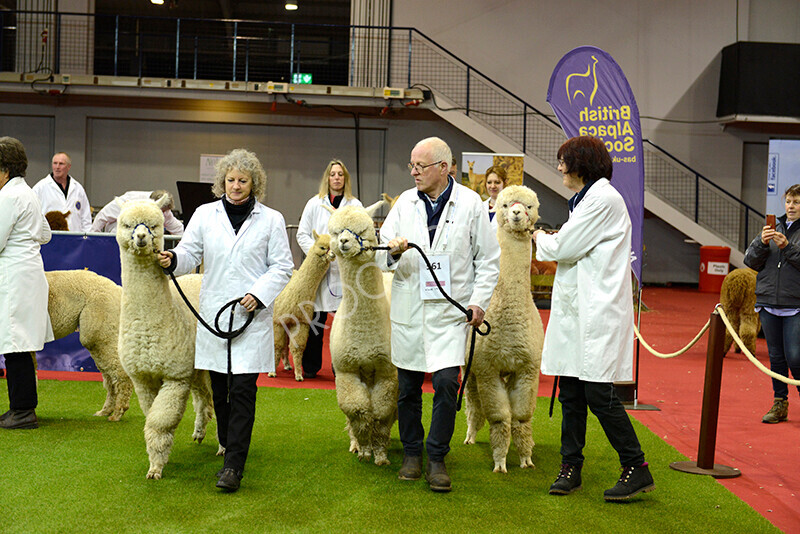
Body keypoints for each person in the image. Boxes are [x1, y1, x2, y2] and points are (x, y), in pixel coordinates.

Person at [158, 148, 293, 492]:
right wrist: (173, 259)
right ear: (222, 182)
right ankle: (226, 438)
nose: (236, 186)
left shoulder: (271, 219)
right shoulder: (205, 214)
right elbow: (190, 253)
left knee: (244, 390)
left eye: (242, 180)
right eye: (230, 180)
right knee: (220, 391)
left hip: (251, 316)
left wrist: (259, 294)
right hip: (216, 314)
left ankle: (234, 465)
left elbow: (282, 267)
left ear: (254, 183)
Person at [533, 136, 654, 501]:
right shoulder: (587, 200)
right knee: (570, 391)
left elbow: (564, 247)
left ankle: (637, 467)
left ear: (581, 164)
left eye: (563, 162)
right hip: (579, 311)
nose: (559, 168)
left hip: (596, 312)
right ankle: (571, 467)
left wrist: (540, 236)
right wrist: (557, 239)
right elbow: (574, 243)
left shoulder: (601, 199)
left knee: (599, 395)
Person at [381, 136, 499, 492]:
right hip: (411, 310)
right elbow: (379, 254)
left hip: (451, 311)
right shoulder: (403, 204)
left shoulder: (471, 205)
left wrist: (478, 302)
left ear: (444, 168)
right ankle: (412, 453)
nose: (414, 172)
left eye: (421, 166)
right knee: (408, 387)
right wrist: (394, 252)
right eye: (412, 166)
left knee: (447, 383)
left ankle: (437, 456)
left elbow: (488, 260)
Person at [0, 137, 54, 430]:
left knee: (15, 344)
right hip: (29, 272)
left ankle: (22, 411)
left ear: (5, 169)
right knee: (18, 344)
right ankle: (20, 408)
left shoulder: (8, 197)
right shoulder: (29, 193)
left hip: (14, 275)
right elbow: (45, 234)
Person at [295, 160, 362, 378]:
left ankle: (341, 366)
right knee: (316, 319)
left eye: (340, 174)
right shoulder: (314, 204)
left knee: (344, 321)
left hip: (344, 270)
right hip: (321, 270)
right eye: (332, 174)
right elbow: (302, 234)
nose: (336, 178)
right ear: (327, 178)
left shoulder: (355, 205)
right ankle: (311, 366)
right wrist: (319, 253)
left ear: (345, 179)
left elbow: (362, 235)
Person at [743, 183, 800, 424]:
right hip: (768, 302)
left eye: (796, 202)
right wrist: (762, 243)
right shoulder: (771, 226)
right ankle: (779, 403)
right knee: (775, 357)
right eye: (788, 201)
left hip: (795, 304)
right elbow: (750, 261)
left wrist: (787, 246)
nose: (791, 206)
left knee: (795, 356)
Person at [32, 152, 92, 232]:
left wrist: (86, 238)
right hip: (50, 238)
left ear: (68, 167)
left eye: (61, 164)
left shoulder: (78, 188)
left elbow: (86, 219)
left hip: (75, 238)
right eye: (55, 163)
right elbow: (32, 216)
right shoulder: (40, 188)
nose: (57, 167)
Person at [91, 190, 184, 234]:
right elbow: (103, 216)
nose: (163, 214)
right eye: (162, 211)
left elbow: (177, 228)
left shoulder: (164, 211)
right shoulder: (130, 199)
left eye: (165, 211)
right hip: (117, 234)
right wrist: (92, 238)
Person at [483, 165, 508, 233]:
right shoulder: (480, 206)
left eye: (497, 182)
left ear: (505, 183)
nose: (493, 186)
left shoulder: (511, 208)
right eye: (489, 182)